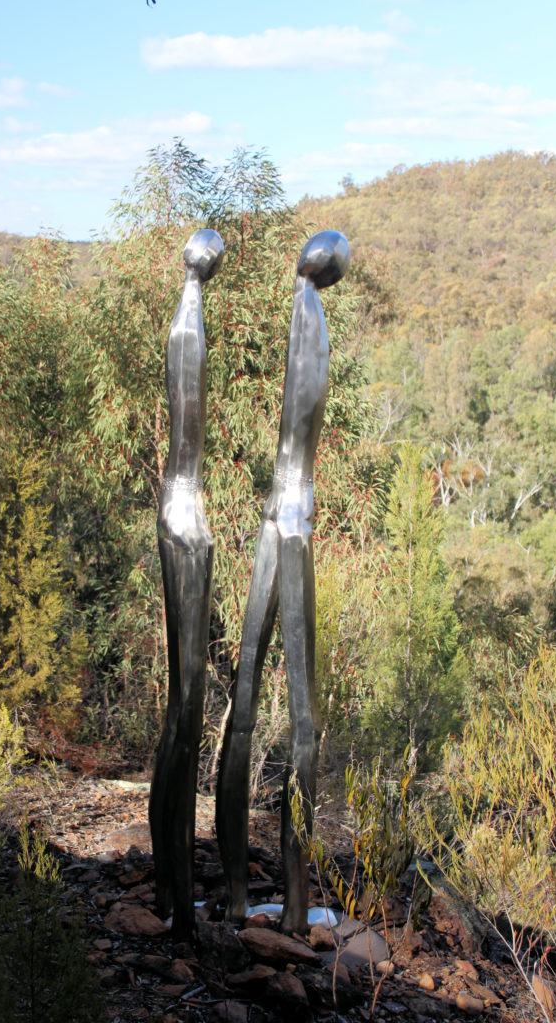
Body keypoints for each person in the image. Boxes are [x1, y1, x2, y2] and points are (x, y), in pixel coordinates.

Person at [216, 230, 351, 934]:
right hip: (290, 524)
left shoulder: (305, 311)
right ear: (329, 270)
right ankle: (293, 907)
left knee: (243, 709)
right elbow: (305, 412)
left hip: (276, 514)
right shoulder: (313, 318)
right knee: (299, 721)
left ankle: (243, 897)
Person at [149, 228, 224, 941]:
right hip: (184, 523)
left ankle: (175, 892)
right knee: (183, 712)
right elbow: (187, 436)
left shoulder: (185, 316)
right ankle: (175, 897)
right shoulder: (187, 324)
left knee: (183, 714)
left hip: (184, 517)